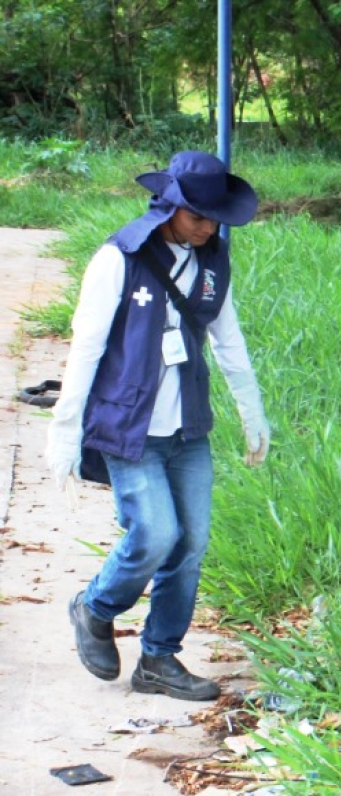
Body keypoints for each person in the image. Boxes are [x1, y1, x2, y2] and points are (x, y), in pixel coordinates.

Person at [45, 151, 271, 701]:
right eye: (199, 216)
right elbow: (87, 348)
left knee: (189, 544)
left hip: (187, 429)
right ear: (170, 205)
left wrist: (252, 412)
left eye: (216, 217)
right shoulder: (117, 258)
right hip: (130, 426)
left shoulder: (212, 260)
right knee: (155, 533)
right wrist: (64, 431)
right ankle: (94, 606)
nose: (209, 226)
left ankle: (159, 659)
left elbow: (229, 341)